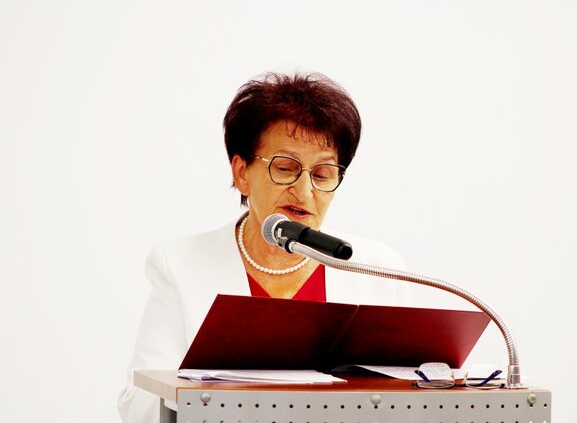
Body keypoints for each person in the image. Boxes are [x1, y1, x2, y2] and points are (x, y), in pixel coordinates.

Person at [117, 72, 412, 422]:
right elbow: (141, 401)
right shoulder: (181, 264)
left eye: (322, 174)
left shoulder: (377, 270)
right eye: (285, 168)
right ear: (242, 172)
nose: (304, 192)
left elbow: (408, 399)